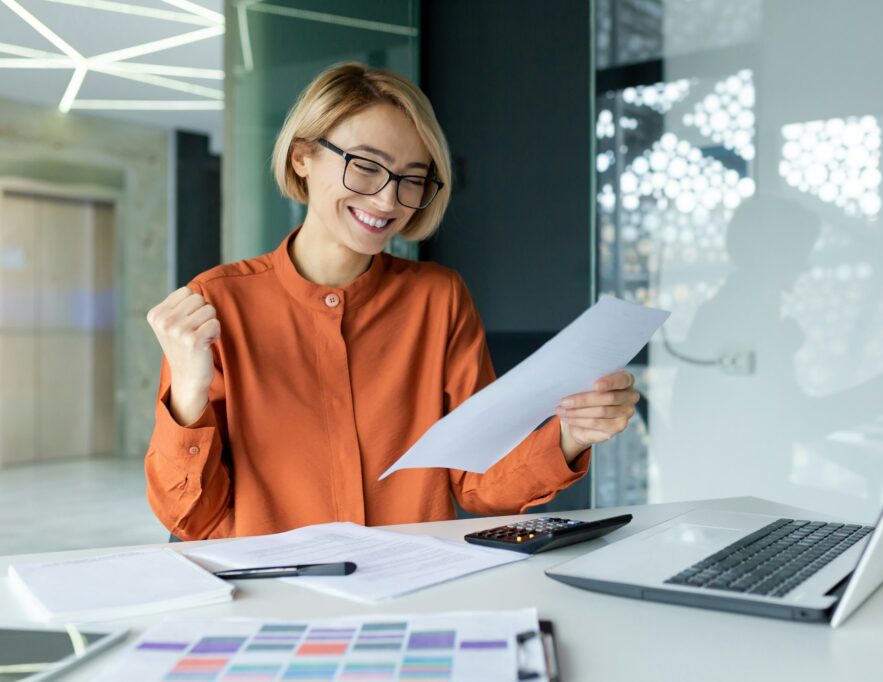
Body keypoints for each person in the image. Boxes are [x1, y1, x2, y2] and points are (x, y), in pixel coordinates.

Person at [144, 62, 639, 540]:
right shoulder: (215, 304)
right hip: (276, 600)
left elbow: (480, 483)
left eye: (411, 178)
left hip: (414, 591)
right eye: (366, 167)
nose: (388, 201)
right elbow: (190, 520)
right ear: (302, 157)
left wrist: (574, 433)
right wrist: (188, 390)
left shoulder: (438, 299)